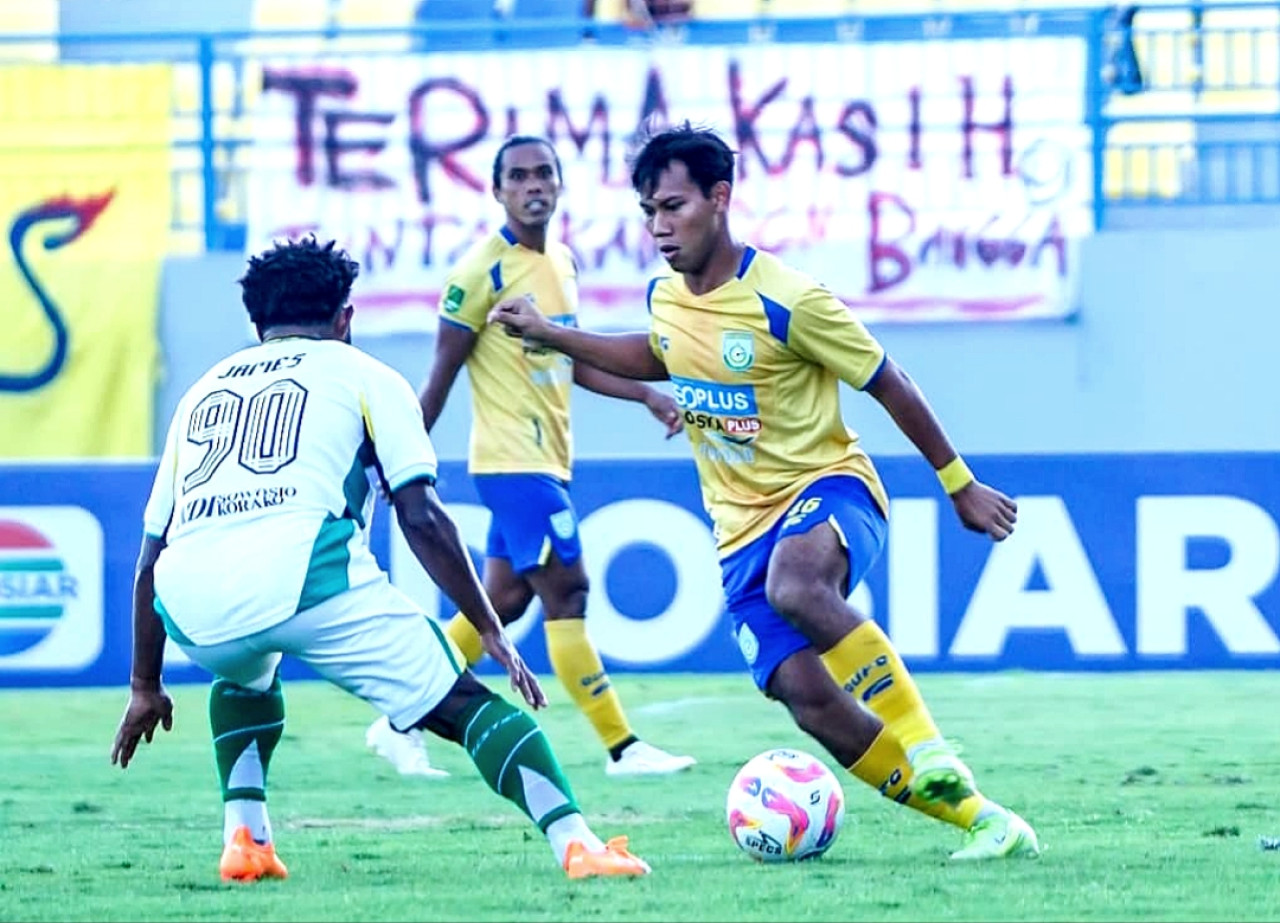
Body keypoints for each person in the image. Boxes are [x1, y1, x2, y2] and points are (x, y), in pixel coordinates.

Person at [487, 124, 1040, 861]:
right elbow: (655, 353)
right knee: (810, 701)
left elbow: (890, 381)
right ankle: (985, 821)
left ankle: (927, 743)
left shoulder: (790, 299)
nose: (659, 227)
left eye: (674, 207)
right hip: (738, 533)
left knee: (797, 585)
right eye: (649, 211)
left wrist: (958, 484)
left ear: (719, 198)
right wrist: (553, 333)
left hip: (829, 488)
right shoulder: (666, 298)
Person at [109, 236, 652, 883]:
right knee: (465, 704)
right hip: (306, 577)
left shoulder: (200, 394)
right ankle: (579, 845)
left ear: (257, 325)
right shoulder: (365, 375)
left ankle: (245, 839)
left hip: (191, 607)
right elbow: (420, 514)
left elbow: (149, 555)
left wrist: (145, 686)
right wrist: (488, 627)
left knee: (244, 674)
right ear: (346, 318)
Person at [366, 134, 697, 779]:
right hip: (512, 462)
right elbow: (440, 375)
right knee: (568, 592)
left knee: (504, 601)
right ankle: (623, 748)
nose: (533, 185)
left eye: (543, 173)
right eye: (518, 176)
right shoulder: (478, 274)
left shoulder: (561, 263)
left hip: (547, 459)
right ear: (497, 191)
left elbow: (570, 359)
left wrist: (646, 395)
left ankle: (398, 716)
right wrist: (402, 462)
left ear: (560, 183)